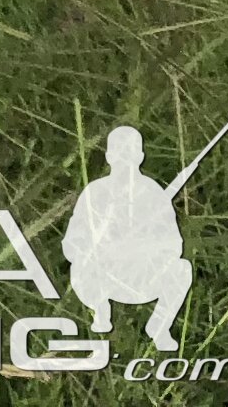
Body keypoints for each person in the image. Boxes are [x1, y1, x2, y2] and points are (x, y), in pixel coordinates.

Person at [64, 125, 195, 351]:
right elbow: (71, 244)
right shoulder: (94, 193)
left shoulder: (154, 193)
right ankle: (100, 312)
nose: (125, 159)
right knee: (80, 268)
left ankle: (159, 326)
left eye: (130, 153)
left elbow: (175, 245)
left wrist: (143, 247)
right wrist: (102, 248)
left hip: (144, 276)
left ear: (140, 156)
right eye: (119, 152)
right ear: (109, 156)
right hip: (103, 276)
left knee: (182, 270)